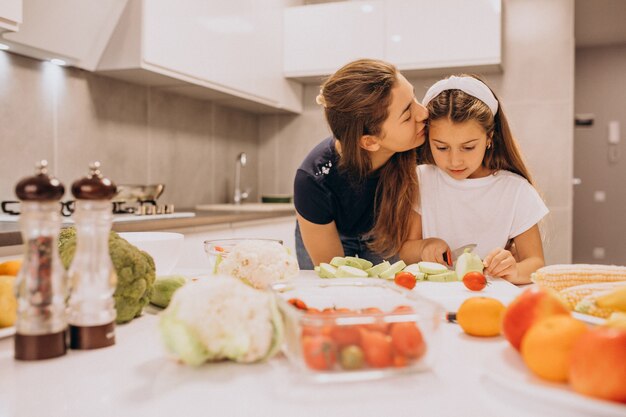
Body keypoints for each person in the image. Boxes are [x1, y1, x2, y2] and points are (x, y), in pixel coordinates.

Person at [293, 59, 429, 269]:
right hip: (331, 234)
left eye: (414, 97)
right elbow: (334, 277)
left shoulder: (421, 140)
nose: (424, 113)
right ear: (370, 142)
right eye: (408, 114)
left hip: (384, 234)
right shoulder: (313, 180)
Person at [413, 74, 548, 284]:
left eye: (468, 147)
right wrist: (424, 247)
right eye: (441, 147)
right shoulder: (421, 181)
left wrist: (513, 269)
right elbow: (405, 249)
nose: (454, 160)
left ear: (489, 139)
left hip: (489, 298)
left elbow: (536, 263)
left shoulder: (515, 191)